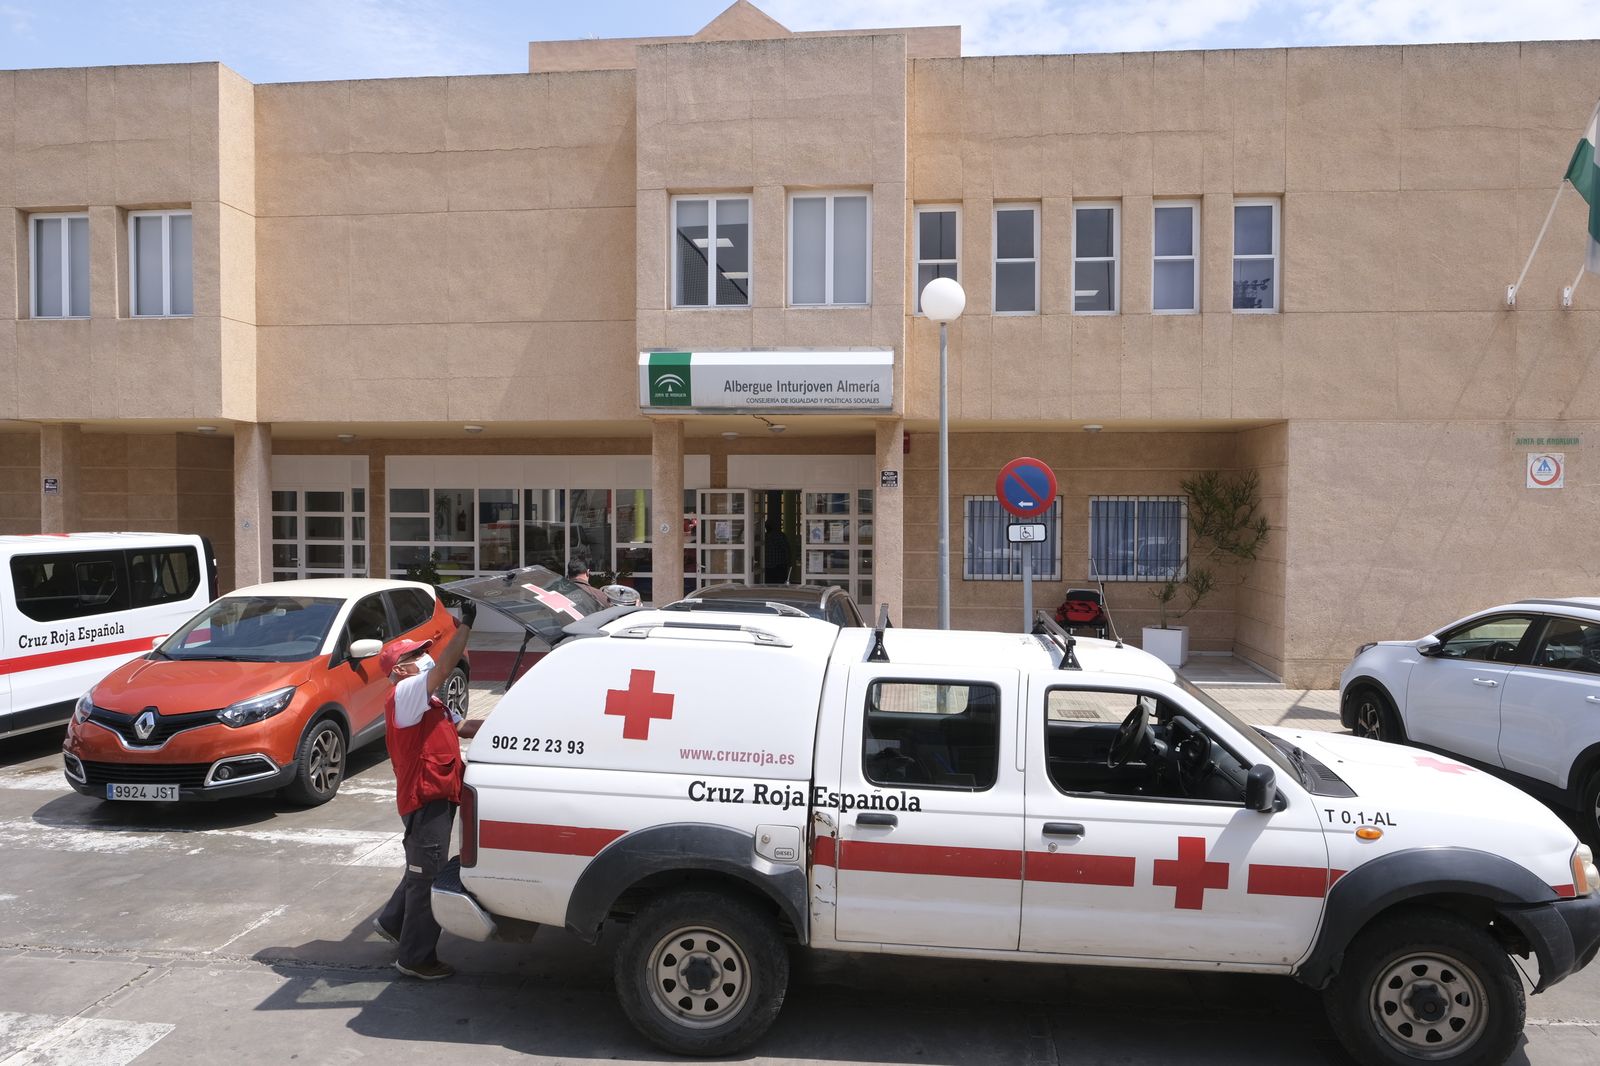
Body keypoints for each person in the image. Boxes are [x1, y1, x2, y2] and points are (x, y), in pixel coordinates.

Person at [372, 597, 475, 980]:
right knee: (426, 876)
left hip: (440, 792)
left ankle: (393, 922)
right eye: (418, 654)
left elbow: (461, 725)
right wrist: (464, 629)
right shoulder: (405, 692)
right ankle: (415, 958)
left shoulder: (426, 699)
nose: (427, 657)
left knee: (422, 865)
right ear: (400, 668)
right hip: (425, 797)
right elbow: (446, 665)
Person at [762, 516, 791, 584]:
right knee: (780, 586)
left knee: (769, 585)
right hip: (779, 566)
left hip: (769, 567)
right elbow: (786, 549)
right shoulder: (780, 535)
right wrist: (788, 561)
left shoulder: (764, 537)